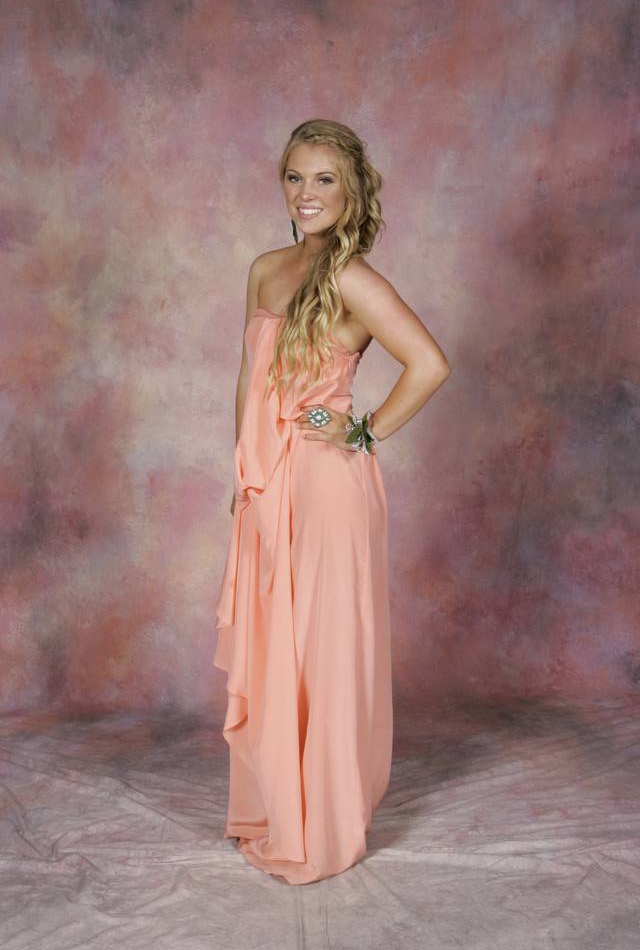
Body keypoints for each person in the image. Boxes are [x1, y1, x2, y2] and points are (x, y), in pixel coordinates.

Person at [214, 119, 451, 885]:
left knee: (325, 647)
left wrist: (363, 429)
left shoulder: (352, 278)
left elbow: (429, 363)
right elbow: (248, 378)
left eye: (325, 180)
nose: (306, 193)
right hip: (270, 482)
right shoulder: (264, 268)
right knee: (275, 642)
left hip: (327, 485)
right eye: (295, 177)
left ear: (351, 193)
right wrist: (243, 474)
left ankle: (328, 823)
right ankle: (277, 805)